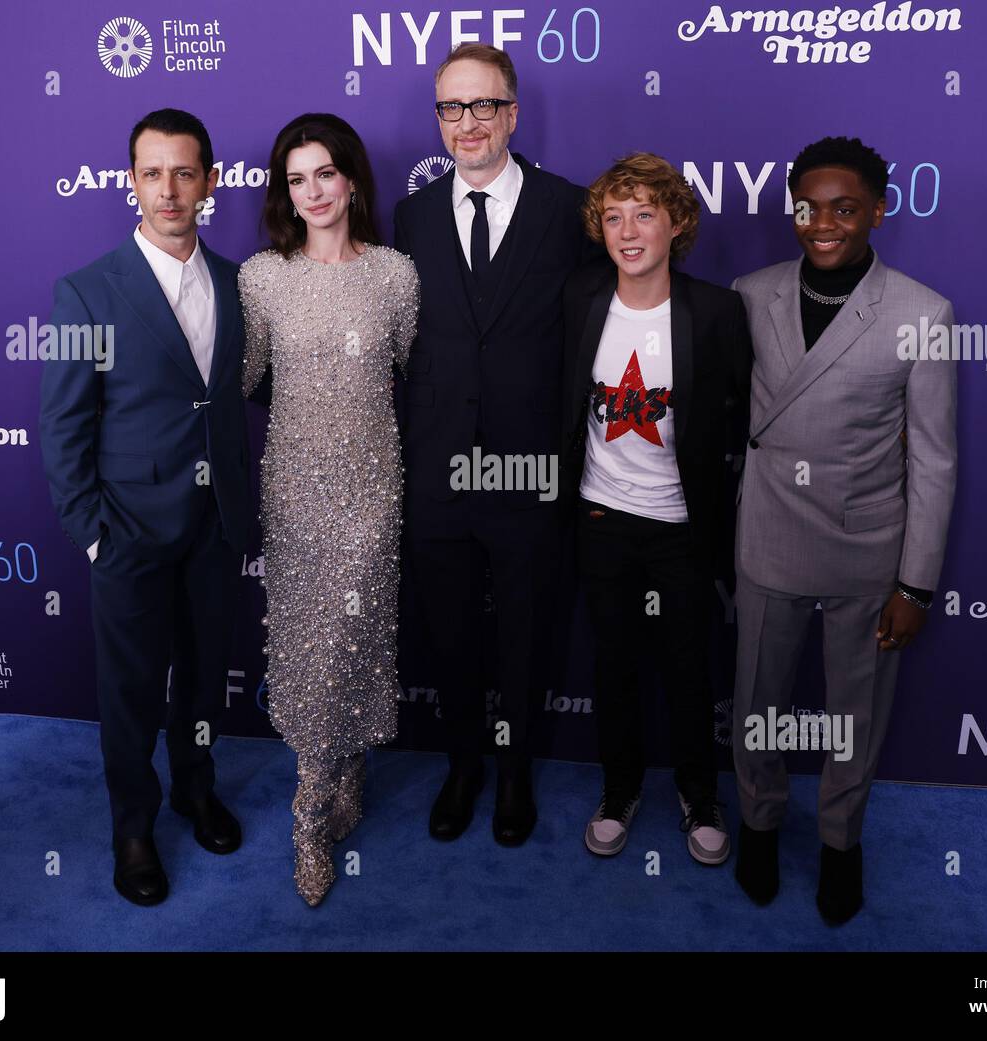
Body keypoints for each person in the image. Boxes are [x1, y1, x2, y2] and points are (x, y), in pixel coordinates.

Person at [730, 136, 957, 924]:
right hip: (767, 539)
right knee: (758, 699)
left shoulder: (923, 313)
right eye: (808, 207)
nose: (823, 223)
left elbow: (933, 459)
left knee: (854, 715)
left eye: (845, 208)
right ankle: (757, 824)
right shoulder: (749, 293)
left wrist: (915, 582)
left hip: (866, 551)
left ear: (877, 212)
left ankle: (839, 842)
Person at [39, 108, 250, 907]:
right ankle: (134, 825)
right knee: (130, 692)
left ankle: (198, 787)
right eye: (152, 172)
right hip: (126, 533)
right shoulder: (84, 292)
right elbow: (62, 426)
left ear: (210, 182)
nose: (169, 189)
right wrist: (92, 536)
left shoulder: (237, 281)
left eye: (184, 172)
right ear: (131, 182)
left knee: (202, 683)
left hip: (214, 528)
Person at [393, 42, 602, 847]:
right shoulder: (411, 218)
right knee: (448, 633)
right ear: (439, 118)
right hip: (438, 469)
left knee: (523, 632)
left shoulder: (570, 211)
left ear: (512, 114)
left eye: (484, 106)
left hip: (530, 471)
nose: (468, 122)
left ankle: (513, 773)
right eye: (452, 107)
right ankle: (463, 766)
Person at [240, 113, 419, 907]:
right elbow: (246, 378)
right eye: (296, 178)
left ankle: (345, 770)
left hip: (374, 489)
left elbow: (409, 370)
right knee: (309, 647)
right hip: (293, 493)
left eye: (325, 173)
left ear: (351, 179)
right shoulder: (261, 277)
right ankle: (311, 816)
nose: (312, 191)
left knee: (355, 635)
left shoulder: (396, 274)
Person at [558, 153, 751, 865]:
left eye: (645, 213)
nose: (628, 230)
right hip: (601, 519)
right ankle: (619, 789)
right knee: (614, 666)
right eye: (613, 216)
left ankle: (700, 795)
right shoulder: (580, 298)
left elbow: (738, 419)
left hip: (681, 528)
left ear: (677, 223)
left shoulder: (716, 312)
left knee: (687, 667)